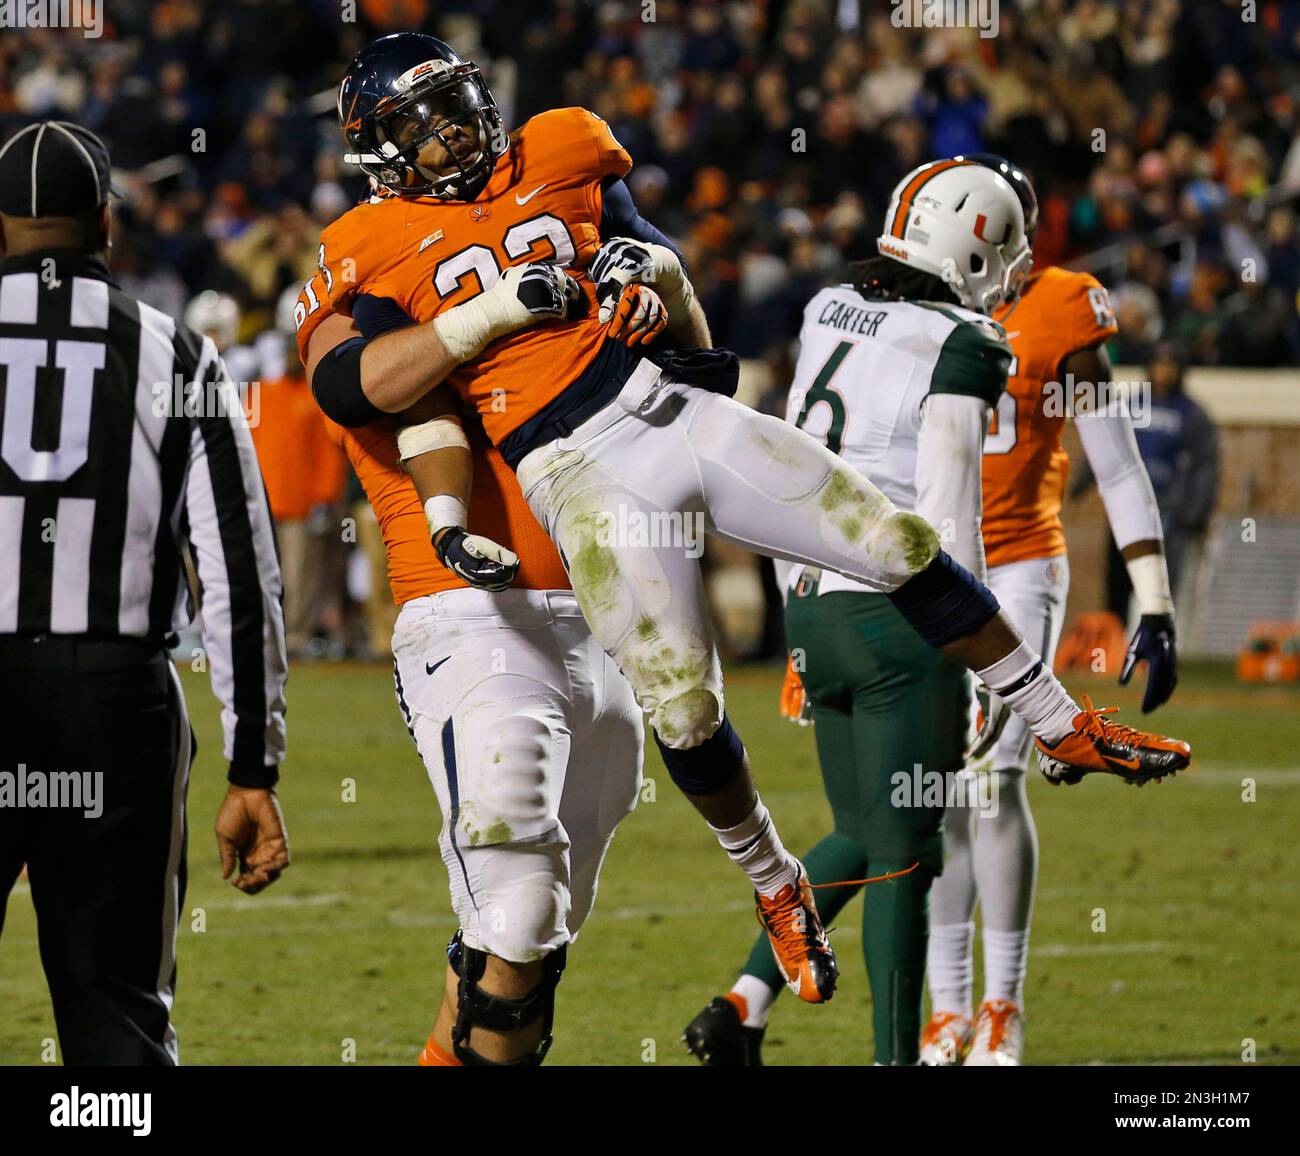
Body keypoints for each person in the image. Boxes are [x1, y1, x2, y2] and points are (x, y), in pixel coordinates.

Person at [304, 38, 1192, 1016]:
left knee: (898, 543)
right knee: (682, 706)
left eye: (455, 109)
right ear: (378, 150)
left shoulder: (561, 148)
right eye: (417, 128)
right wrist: (484, 322)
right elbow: (353, 385)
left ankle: (1058, 721)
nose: (448, 137)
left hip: (666, 407)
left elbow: (678, 305)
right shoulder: (368, 243)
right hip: (571, 474)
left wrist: (658, 282)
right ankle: (776, 882)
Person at [684, 160, 1027, 1066]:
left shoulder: (829, 304)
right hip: (900, 616)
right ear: (976, 245)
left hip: (815, 604)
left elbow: (792, 462)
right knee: (909, 855)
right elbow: (949, 515)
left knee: (866, 829)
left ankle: (742, 1006)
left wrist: (800, 609)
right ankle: (895, 1061)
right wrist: (985, 647)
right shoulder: (965, 340)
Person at [0, 120, 290, 1065]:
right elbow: (239, 565)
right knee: (117, 1014)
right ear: (106, 223)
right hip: (111, 700)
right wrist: (253, 764)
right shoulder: (178, 355)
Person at [922, 156, 1180, 1066]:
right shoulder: (910, 307)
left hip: (1020, 566)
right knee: (938, 792)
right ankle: (944, 1009)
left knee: (991, 779)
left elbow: (1114, 463)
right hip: (926, 572)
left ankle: (1001, 1005)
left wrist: (1152, 595)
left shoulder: (1061, 306)